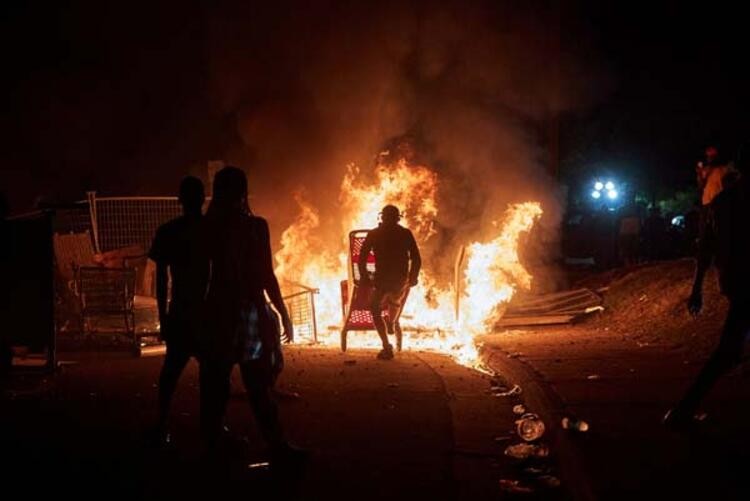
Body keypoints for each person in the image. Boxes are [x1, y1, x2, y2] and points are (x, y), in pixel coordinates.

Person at [198, 166, 303, 467]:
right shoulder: (256, 226)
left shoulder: (208, 227)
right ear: (244, 192)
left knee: (216, 383)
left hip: (218, 312)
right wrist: (280, 310)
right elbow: (266, 274)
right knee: (258, 385)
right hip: (248, 312)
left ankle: (214, 443)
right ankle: (277, 446)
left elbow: (200, 277)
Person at [663, 148, 749, 428]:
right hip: (743, 282)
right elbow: (707, 248)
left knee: (730, 350)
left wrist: (697, 288)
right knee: (728, 351)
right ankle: (683, 411)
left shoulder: (721, 202)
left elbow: (705, 250)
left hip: (736, 282)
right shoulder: (726, 202)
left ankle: (684, 410)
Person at [148, 176, 207, 443]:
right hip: (206, 312)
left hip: (182, 311)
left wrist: (163, 317)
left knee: (171, 371)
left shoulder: (169, 231)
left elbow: (162, 280)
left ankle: (162, 423)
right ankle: (212, 427)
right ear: (202, 199)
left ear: (179, 200)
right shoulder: (211, 230)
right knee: (212, 374)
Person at [358, 205, 421, 359]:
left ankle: (386, 346)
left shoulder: (374, 233)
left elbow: (362, 257)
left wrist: (364, 275)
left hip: (382, 278)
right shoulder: (405, 233)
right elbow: (416, 258)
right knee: (394, 300)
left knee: (374, 307)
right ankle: (391, 322)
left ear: (383, 217)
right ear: (397, 218)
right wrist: (413, 276)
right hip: (400, 279)